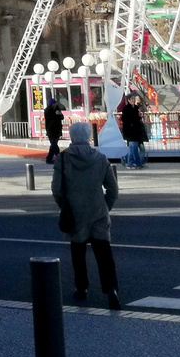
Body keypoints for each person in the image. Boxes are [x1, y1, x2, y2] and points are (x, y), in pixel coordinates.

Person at [52, 123, 121, 310]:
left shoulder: (64, 159)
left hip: (75, 212)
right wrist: (106, 206)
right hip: (98, 211)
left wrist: (64, 206)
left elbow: (57, 189)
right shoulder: (100, 158)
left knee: (78, 252)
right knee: (104, 253)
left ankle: (81, 288)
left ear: (72, 137)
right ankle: (111, 289)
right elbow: (113, 189)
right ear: (89, 137)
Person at [118, 94, 148, 169]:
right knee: (134, 148)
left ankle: (130, 163)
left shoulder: (136, 108)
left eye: (133, 99)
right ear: (128, 100)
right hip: (131, 132)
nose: (133, 100)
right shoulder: (126, 109)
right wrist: (131, 124)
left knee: (132, 149)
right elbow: (125, 119)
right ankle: (136, 163)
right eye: (131, 99)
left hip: (135, 131)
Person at [43, 97, 64, 165]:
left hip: (57, 129)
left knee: (54, 144)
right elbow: (50, 119)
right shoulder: (48, 110)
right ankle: (51, 158)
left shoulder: (57, 109)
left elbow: (62, 118)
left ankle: (57, 158)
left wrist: (59, 114)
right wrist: (56, 115)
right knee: (54, 144)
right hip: (51, 130)